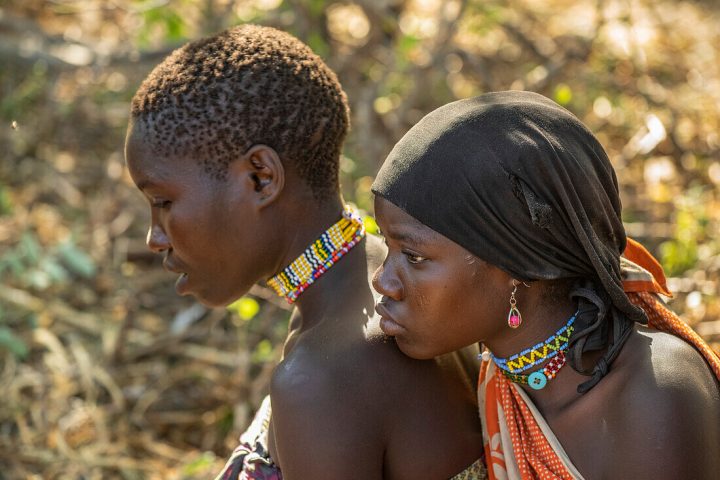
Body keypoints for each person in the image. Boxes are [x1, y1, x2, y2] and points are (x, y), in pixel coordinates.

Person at [124, 25, 486, 479]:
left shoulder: (321, 379)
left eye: (163, 202)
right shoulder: (394, 287)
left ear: (260, 177)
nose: (154, 238)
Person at [371, 91, 720, 479]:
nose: (382, 279)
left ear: (517, 266)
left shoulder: (653, 399)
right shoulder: (488, 382)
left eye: (413, 256)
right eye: (387, 246)